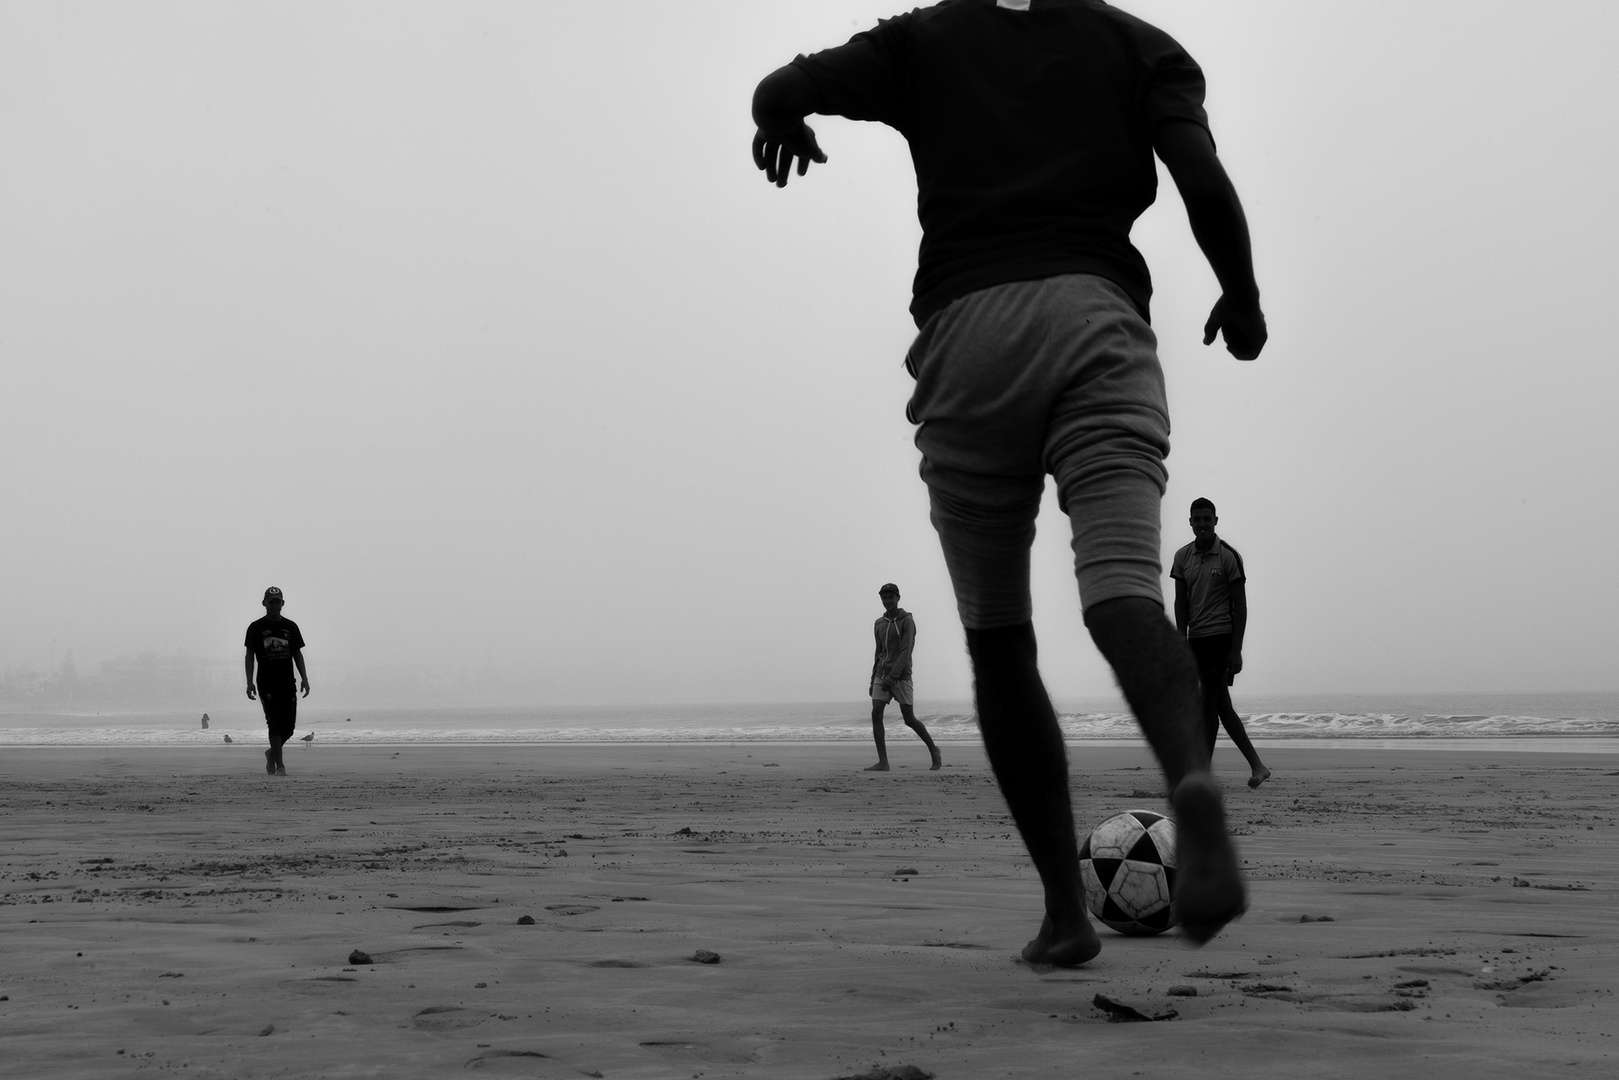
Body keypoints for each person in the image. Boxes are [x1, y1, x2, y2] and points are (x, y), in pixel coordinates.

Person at [751, 0, 1261, 961]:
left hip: (965, 331)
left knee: (999, 644)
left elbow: (780, 87)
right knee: (1117, 592)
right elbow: (1201, 176)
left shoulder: (921, 40)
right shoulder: (1141, 47)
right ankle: (1189, 779)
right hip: (1093, 322)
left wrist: (781, 122)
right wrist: (1241, 293)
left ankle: (1066, 919)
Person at [1172, 498, 1271, 788]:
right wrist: (1181, 638)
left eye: (1207, 518)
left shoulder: (1228, 556)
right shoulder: (1182, 557)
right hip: (1195, 640)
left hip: (1221, 639)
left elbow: (1240, 605)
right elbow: (1181, 601)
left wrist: (1236, 649)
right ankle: (1258, 765)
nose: (1202, 523)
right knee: (1221, 706)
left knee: (1208, 705)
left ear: (1216, 520)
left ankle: (1201, 772)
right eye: (1197, 518)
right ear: (1190, 522)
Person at [867, 583, 943, 772]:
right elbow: (879, 652)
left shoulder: (907, 621)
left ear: (898, 598)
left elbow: (905, 651)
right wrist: (873, 679)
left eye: (890, 597)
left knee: (909, 719)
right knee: (876, 713)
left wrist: (892, 677)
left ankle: (934, 749)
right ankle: (883, 762)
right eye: (884, 598)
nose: (887, 601)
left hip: (901, 675)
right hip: (881, 674)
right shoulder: (879, 623)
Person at [243, 586, 309, 776]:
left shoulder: (291, 627)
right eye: (271, 602)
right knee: (274, 723)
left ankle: (271, 753)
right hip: (266, 683)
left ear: (282, 603)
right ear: (264, 603)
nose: (274, 605)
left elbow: (297, 654)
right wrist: (249, 682)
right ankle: (280, 765)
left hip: (288, 682)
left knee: (289, 727)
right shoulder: (255, 628)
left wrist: (305, 678)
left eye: (277, 602)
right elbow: (249, 656)